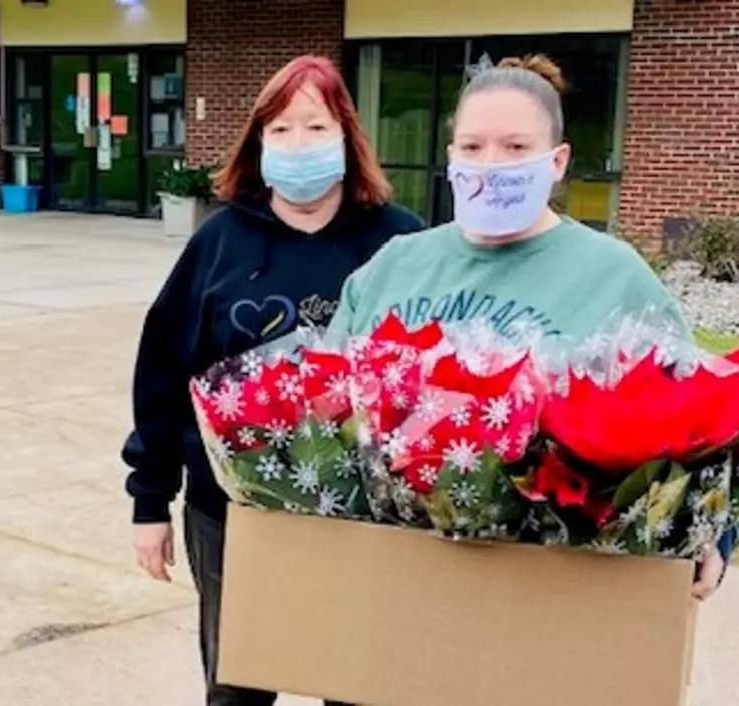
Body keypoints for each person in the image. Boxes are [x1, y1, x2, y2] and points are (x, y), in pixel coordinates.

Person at [325, 54, 739, 599]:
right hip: (393, 583)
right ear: (451, 157)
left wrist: (716, 532)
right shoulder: (393, 267)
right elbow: (320, 410)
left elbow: (694, 430)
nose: (491, 164)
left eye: (516, 147)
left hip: (543, 595)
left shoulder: (614, 277)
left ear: (558, 161)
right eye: (473, 147)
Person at [122, 55, 424, 706]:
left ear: (347, 134)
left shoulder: (400, 244)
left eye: (315, 127)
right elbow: (164, 373)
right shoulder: (219, 241)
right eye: (280, 130)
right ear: (258, 143)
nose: (297, 145)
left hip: (364, 523)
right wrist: (150, 500)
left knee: (359, 686)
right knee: (237, 690)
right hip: (233, 516)